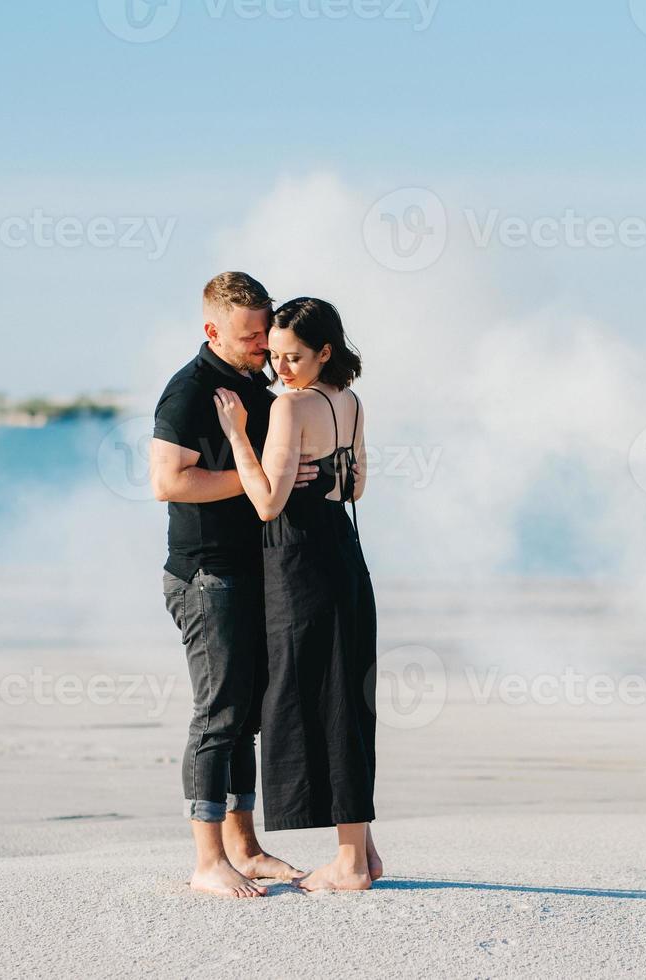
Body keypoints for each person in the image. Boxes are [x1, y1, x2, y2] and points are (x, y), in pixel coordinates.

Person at [149, 271, 319, 898]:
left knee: (247, 715)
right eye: (251, 336)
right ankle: (207, 860)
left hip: (252, 570)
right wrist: (256, 481)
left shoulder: (255, 381)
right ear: (212, 330)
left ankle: (245, 849)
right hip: (204, 573)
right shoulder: (189, 391)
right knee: (218, 714)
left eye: (266, 331)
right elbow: (168, 482)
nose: (263, 346)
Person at [213, 296, 382, 892]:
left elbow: (265, 502)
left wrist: (238, 436)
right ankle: (361, 849)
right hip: (344, 550)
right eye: (276, 357)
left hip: (299, 559)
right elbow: (356, 482)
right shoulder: (350, 401)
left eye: (293, 357)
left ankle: (352, 865)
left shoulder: (290, 407)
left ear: (325, 352)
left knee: (314, 696)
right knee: (349, 696)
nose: (279, 369)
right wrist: (319, 472)